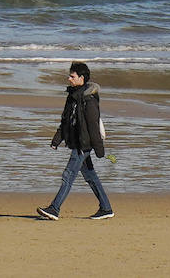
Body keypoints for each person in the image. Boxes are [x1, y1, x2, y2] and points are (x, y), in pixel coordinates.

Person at [37, 62, 114, 221]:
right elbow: (65, 120)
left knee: (68, 174)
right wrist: (57, 139)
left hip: (83, 144)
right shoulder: (72, 96)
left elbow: (93, 125)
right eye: (69, 76)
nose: (69, 79)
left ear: (82, 78)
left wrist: (100, 150)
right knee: (90, 176)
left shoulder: (89, 99)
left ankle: (54, 208)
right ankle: (106, 208)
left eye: (72, 76)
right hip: (76, 142)